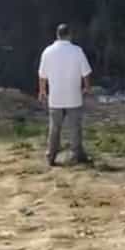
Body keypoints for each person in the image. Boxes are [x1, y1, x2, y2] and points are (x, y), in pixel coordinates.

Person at [38, 23, 92, 166]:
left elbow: (42, 75)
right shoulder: (77, 51)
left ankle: (51, 156)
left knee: (54, 128)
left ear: (57, 35)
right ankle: (77, 154)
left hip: (55, 97)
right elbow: (86, 72)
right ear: (70, 35)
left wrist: (42, 91)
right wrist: (87, 87)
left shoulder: (47, 51)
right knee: (75, 128)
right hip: (73, 96)